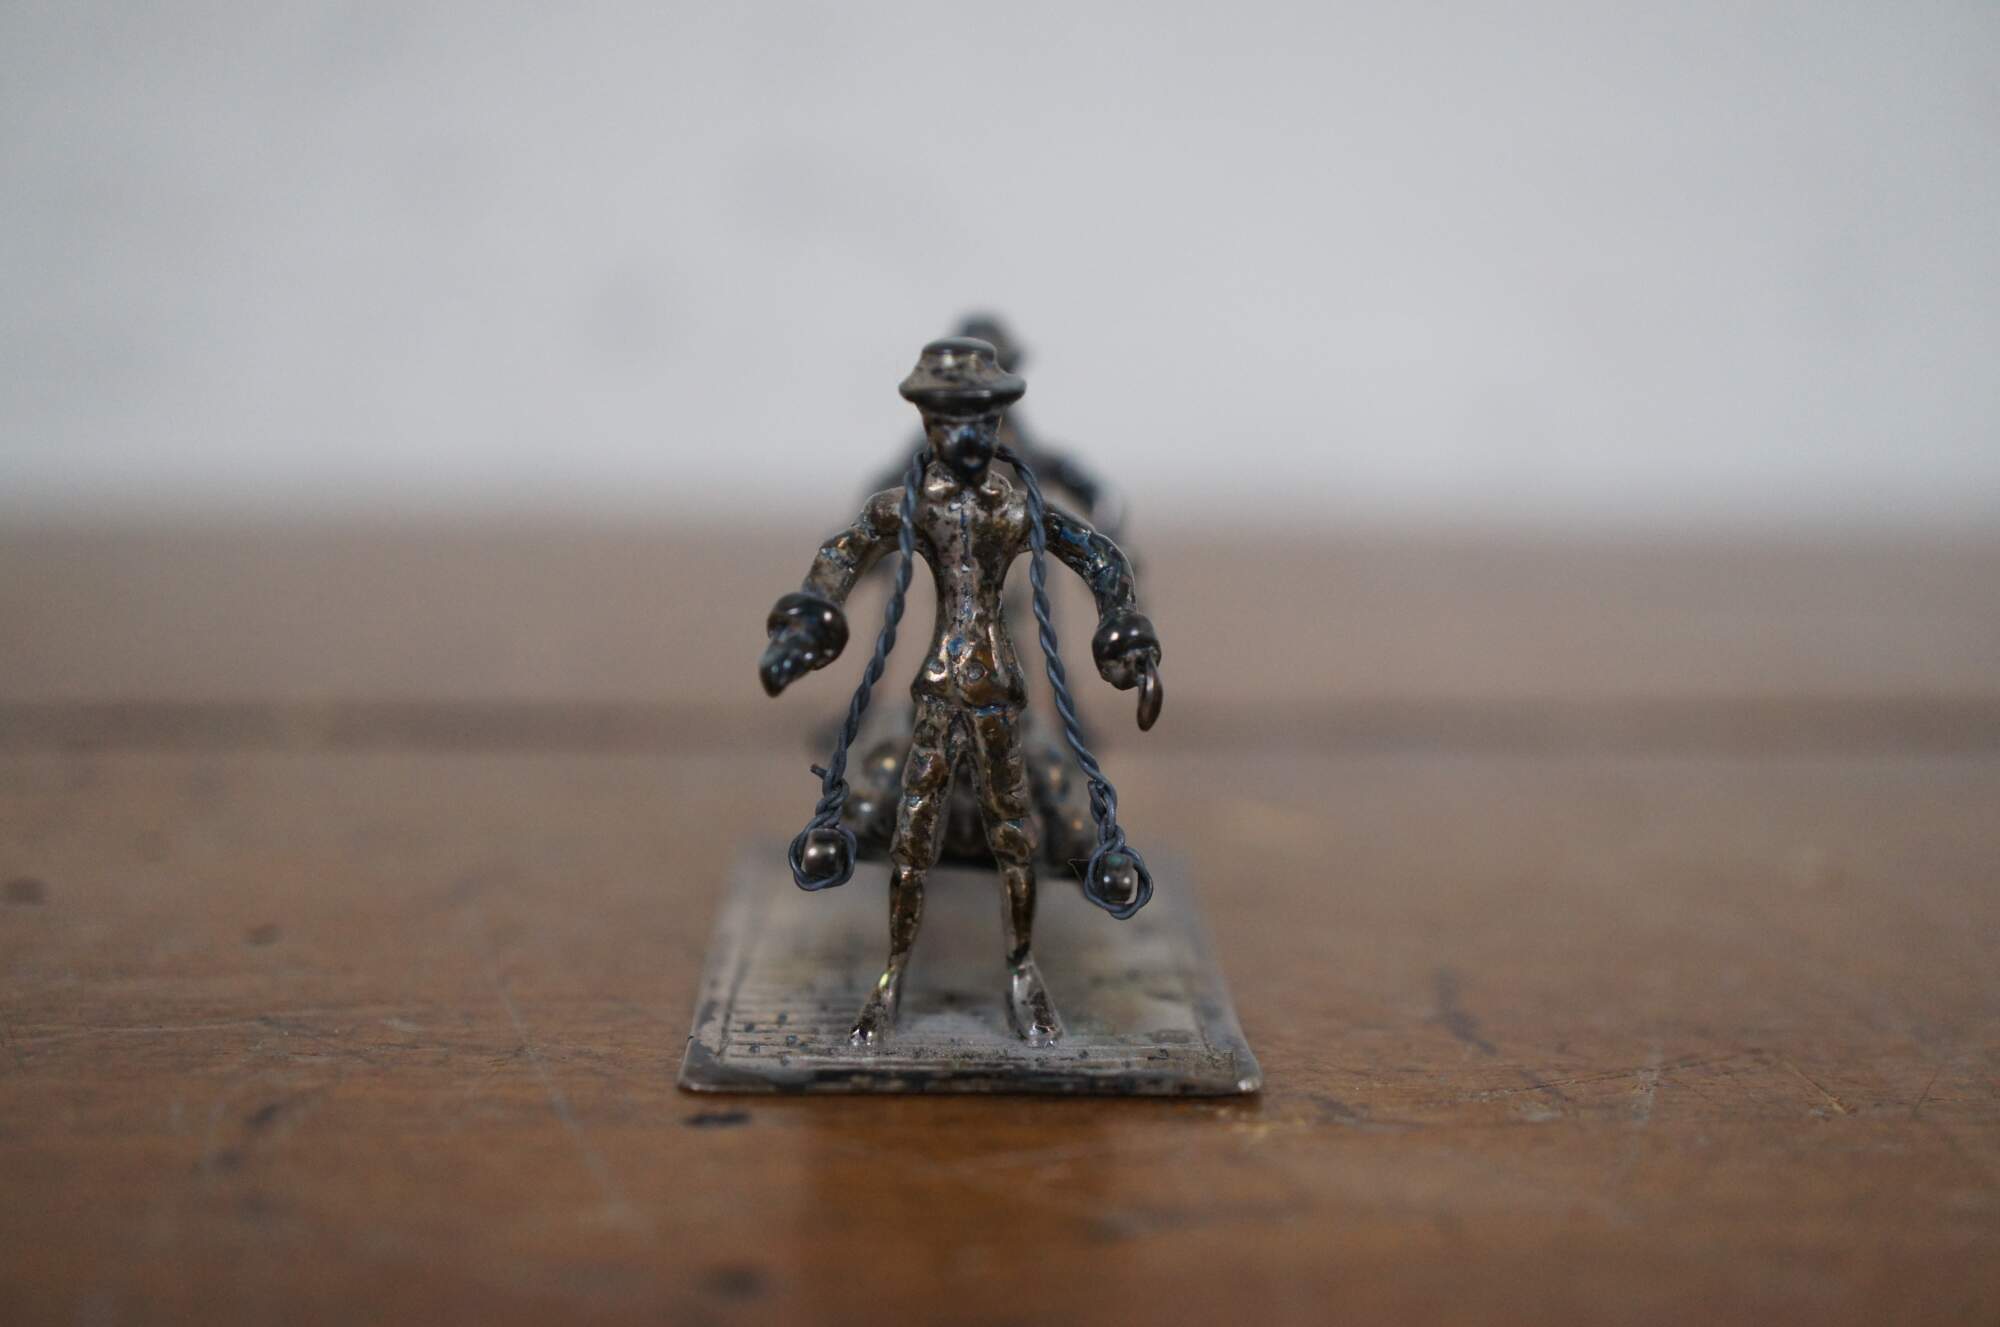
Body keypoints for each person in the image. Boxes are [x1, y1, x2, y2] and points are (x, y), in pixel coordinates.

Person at [760, 338, 1161, 1046]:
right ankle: (892, 975)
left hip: (1000, 695)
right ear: (926, 423)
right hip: (938, 693)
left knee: (1016, 839)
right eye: (949, 421)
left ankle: (1022, 970)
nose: (967, 436)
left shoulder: (1016, 507)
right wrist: (806, 629)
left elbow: (1100, 557)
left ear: (1000, 418)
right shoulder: (913, 507)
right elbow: (844, 553)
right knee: (913, 841)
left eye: (979, 419)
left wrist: (1126, 638)